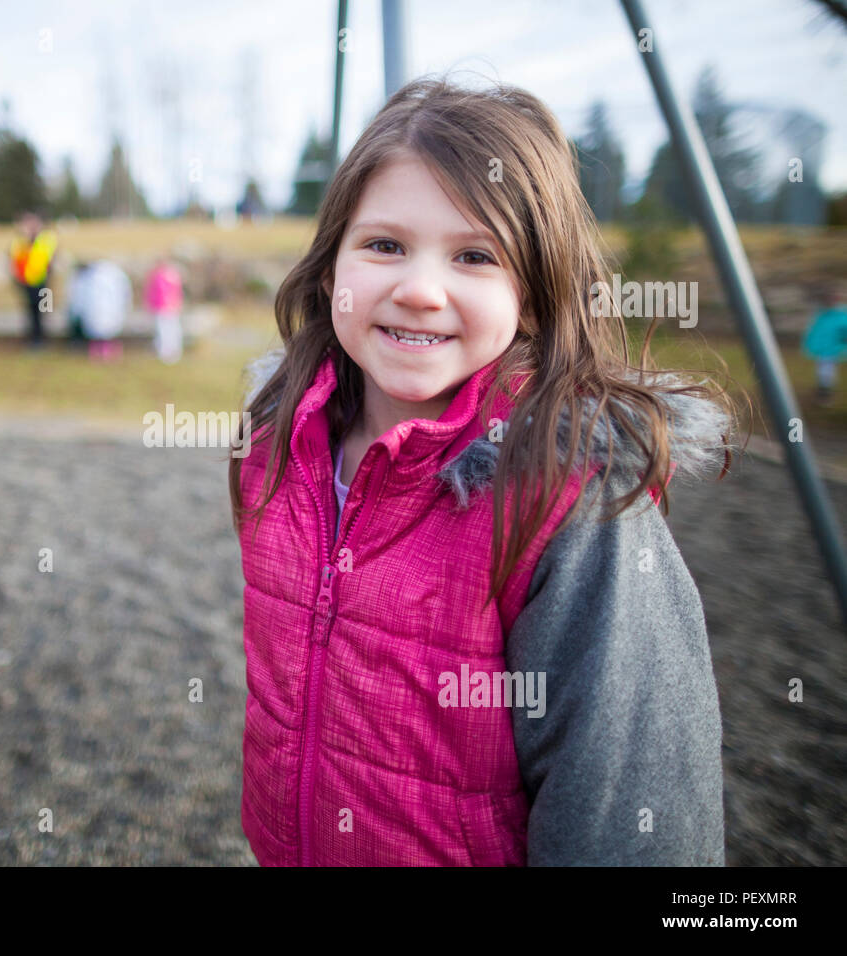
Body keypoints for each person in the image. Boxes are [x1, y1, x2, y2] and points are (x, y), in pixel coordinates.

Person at [229, 77, 740, 866]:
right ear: (332, 268)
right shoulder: (275, 450)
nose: (420, 290)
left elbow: (635, 809)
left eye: (474, 256)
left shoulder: (572, 502)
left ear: (533, 295)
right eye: (384, 245)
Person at [8, 210, 58, 348]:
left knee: (44, 311)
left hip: (42, 282)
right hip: (26, 283)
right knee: (30, 312)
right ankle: (32, 338)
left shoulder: (46, 238)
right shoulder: (20, 241)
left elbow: (50, 258)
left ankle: (42, 339)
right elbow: (15, 259)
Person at [72, 260, 131, 362]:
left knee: (103, 332)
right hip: (103, 312)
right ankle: (102, 352)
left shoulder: (91, 279)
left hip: (103, 312)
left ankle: (103, 352)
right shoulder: (114, 276)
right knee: (103, 332)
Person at [800, 284, 847, 405]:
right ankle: (824, 393)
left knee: (826, 370)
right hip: (825, 348)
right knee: (824, 370)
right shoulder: (822, 314)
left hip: (833, 348)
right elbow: (816, 331)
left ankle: (825, 394)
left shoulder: (840, 315)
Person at [144, 257, 185, 364]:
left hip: (163, 307)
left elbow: (155, 293)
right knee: (169, 330)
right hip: (170, 307)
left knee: (164, 331)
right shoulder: (173, 276)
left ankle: (166, 353)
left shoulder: (159, 276)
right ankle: (170, 352)